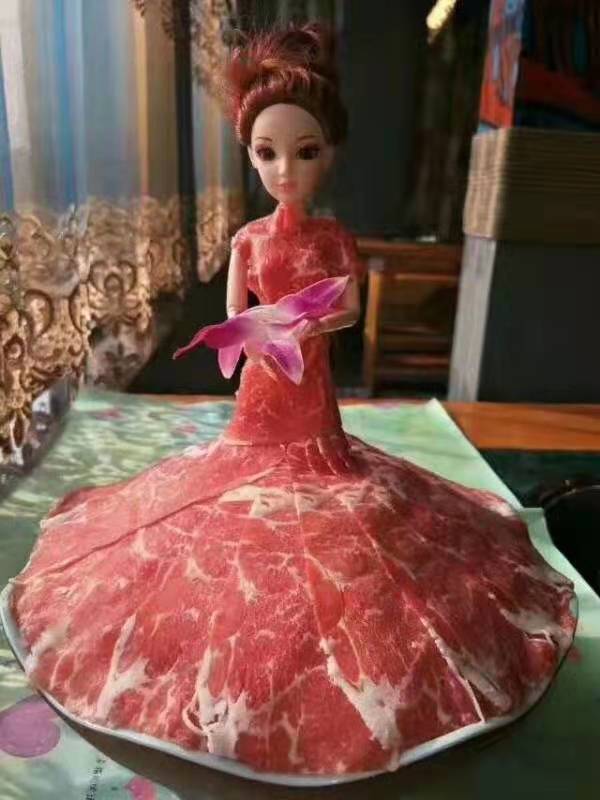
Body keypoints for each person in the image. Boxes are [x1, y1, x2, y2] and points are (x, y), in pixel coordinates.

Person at [5, 24, 576, 781]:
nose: (285, 170)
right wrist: (254, 332)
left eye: (305, 152)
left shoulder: (334, 237)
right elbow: (234, 313)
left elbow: (347, 308)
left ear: (329, 152)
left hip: (312, 393)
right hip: (262, 388)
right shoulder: (247, 239)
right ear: (249, 154)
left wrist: (307, 320)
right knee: (227, 520)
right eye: (267, 152)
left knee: (349, 524)